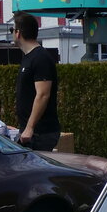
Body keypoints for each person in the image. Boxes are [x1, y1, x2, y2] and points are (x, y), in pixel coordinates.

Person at [12, 11, 61, 151]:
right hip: (32, 132)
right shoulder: (28, 57)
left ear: (18, 33)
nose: (11, 33)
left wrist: (30, 127)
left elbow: (43, 94)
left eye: (11, 30)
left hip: (40, 132)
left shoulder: (40, 58)